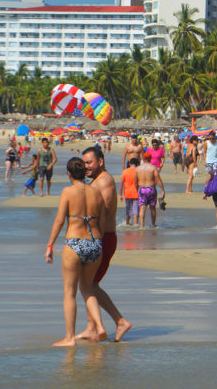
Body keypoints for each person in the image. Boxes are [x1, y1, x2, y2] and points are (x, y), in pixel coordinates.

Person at [44, 157, 107, 346]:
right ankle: (100, 327)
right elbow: (102, 221)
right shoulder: (96, 192)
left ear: (69, 174)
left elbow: (59, 220)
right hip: (95, 243)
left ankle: (70, 337)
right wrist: (98, 243)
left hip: (74, 243)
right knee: (87, 289)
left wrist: (50, 245)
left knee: (69, 292)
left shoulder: (68, 191)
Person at [78, 146, 132, 342]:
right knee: (89, 284)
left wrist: (93, 240)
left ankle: (120, 321)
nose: (86, 166)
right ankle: (91, 327)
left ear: (100, 162)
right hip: (98, 237)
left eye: (89, 162)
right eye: (84, 163)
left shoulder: (105, 180)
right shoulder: (95, 181)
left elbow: (105, 211)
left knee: (89, 285)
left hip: (104, 238)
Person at [135, 152, 166, 228]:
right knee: (152, 208)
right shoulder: (153, 168)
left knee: (142, 208)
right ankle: (153, 224)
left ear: (143, 159)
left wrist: (137, 190)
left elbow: (135, 182)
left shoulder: (138, 169)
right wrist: (162, 190)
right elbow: (158, 179)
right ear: (150, 159)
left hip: (142, 189)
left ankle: (142, 226)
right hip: (151, 189)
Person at [120, 158, 140, 226]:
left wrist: (120, 194)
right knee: (135, 210)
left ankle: (127, 223)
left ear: (130, 164)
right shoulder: (138, 171)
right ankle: (135, 224)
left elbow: (121, 184)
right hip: (136, 193)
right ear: (137, 164)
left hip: (127, 193)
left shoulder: (125, 171)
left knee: (128, 209)